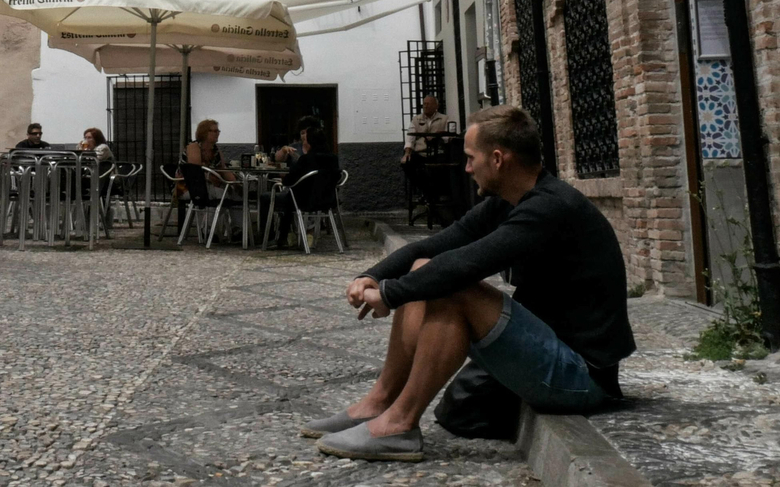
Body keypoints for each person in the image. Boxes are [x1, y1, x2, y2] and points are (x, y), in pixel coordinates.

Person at [305, 105, 634, 462]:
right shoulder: (509, 202)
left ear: (497, 159)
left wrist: (389, 295)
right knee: (424, 267)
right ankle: (378, 403)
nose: (465, 168)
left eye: (469, 157)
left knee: (452, 286)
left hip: (582, 376)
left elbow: (467, 264)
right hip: (548, 345)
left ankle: (398, 425)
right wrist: (372, 276)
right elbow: (435, 246)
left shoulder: (549, 208)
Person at [271, 117, 341, 248]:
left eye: (306, 135)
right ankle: (296, 235)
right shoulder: (332, 158)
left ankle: (282, 237)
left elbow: (288, 182)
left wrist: (283, 178)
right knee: (293, 196)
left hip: (304, 200)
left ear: (310, 141)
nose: (303, 138)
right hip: (328, 199)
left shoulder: (306, 159)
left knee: (286, 197)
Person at [401, 95, 452, 163]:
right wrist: (407, 153)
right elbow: (410, 138)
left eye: (428, 104)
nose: (425, 106)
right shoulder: (416, 119)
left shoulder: (445, 119)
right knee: (407, 163)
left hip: (438, 152)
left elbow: (449, 137)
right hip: (419, 153)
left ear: (436, 106)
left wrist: (440, 135)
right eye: (424, 104)